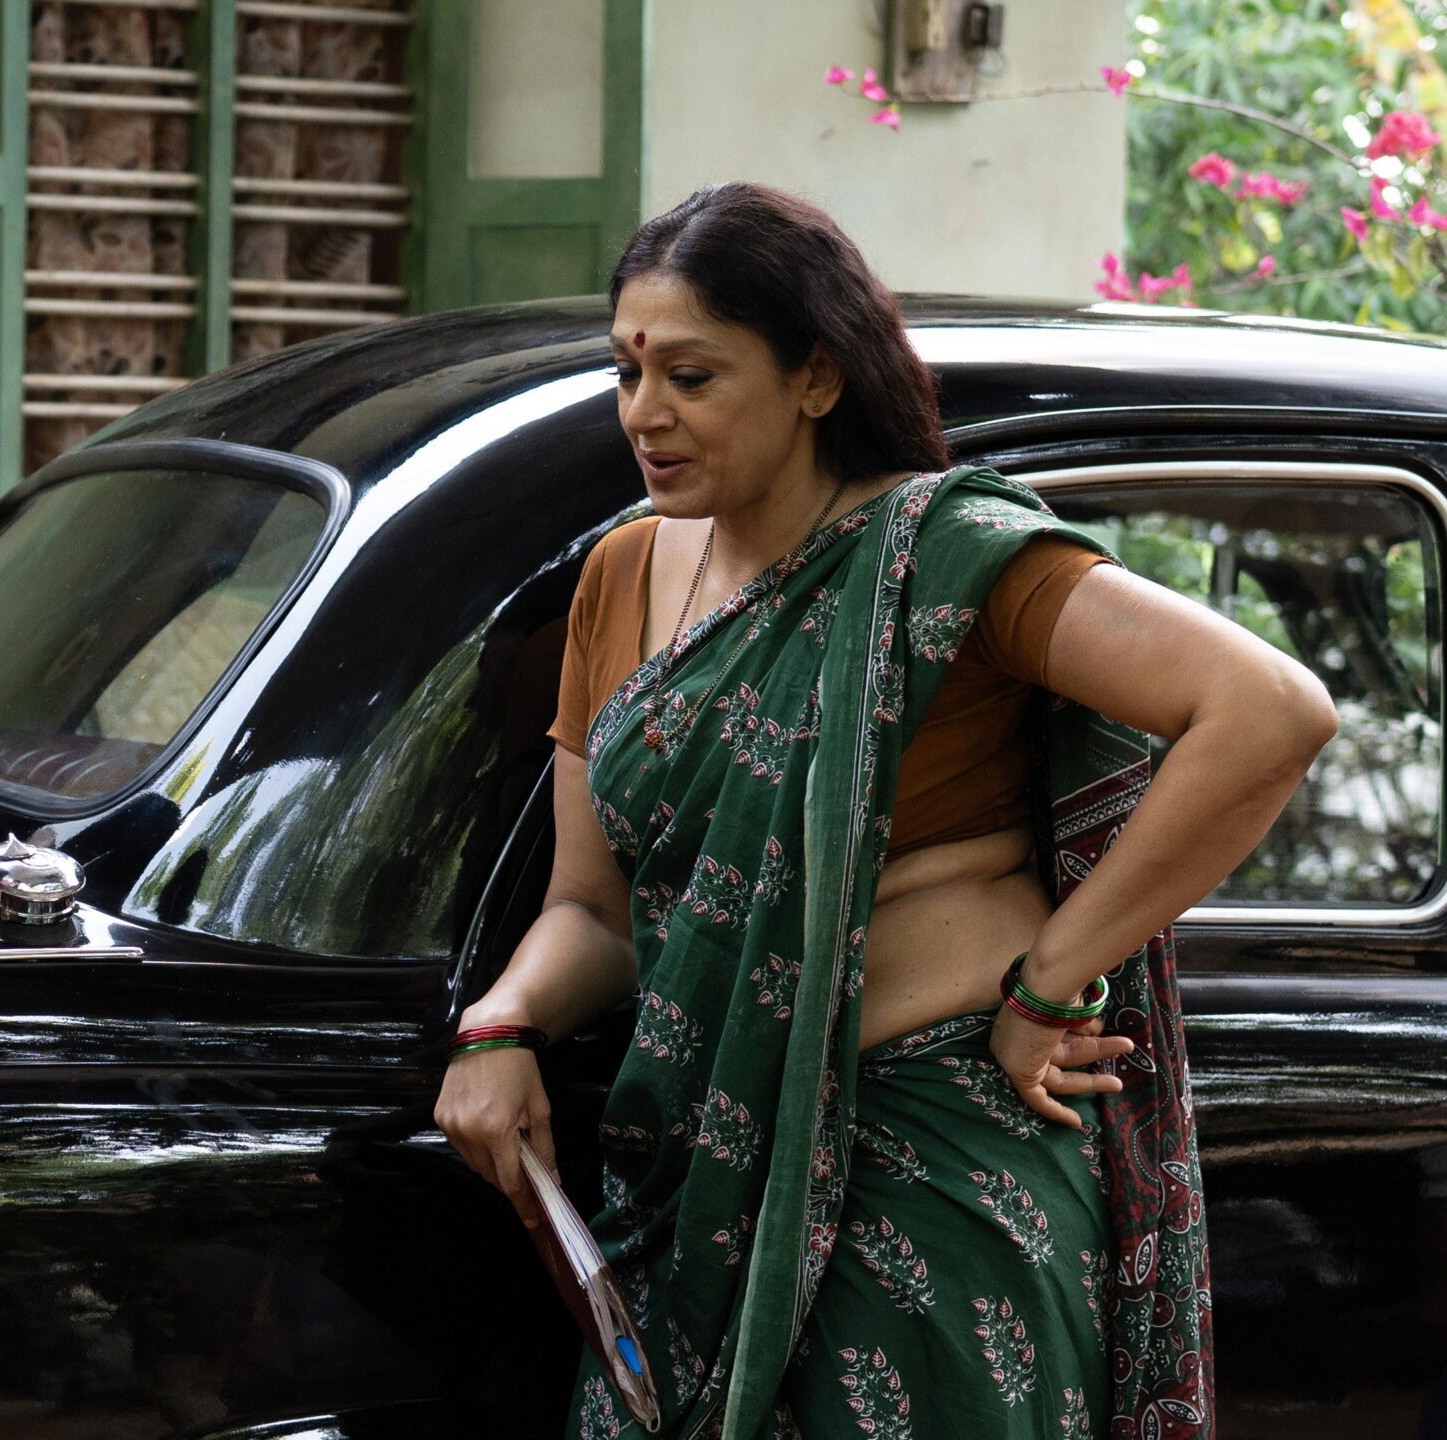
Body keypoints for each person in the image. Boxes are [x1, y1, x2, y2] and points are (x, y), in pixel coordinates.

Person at [434, 183, 1337, 1439]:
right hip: (702, 1196)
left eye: (691, 376)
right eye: (628, 372)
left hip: (933, 1170)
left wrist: (1049, 985)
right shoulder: (623, 577)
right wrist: (501, 1025)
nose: (644, 413)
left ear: (815, 377)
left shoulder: (943, 559)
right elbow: (595, 911)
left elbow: (1268, 710)